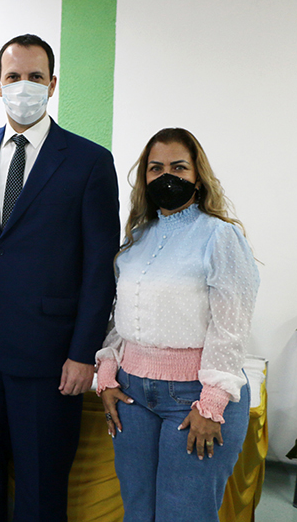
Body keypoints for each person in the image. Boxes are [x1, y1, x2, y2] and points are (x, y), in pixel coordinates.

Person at [0, 34, 120, 521]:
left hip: (49, 355)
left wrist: (85, 351)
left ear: (53, 84)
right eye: (14, 76)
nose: (25, 85)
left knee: (41, 486)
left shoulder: (88, 161)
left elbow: (100, 267)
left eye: (35, 77)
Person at [96, 128, 259, 521]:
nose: (166, 176)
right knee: (138, 512)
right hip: (133, 396)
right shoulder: (138, 237)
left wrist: (212, 403)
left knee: (183, 515)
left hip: (195, 399)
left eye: (178, 167)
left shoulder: (220, 236)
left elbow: (230, 326)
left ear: (197, 176)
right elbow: (124, 316)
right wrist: (106, 373)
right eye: (156, 168)